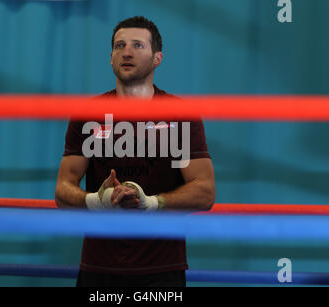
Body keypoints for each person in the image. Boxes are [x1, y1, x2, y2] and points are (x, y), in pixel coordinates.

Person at [55, 16, 215, 287]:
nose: (126, 52)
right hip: (99, 266)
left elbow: (205, 191)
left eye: (138, 45)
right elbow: (63, 188)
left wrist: (151, 203)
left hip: (161, 267)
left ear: (157, 58)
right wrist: (98, 201)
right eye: (119, 45)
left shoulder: (179, 115)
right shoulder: (88, 114)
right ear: (110, 57)